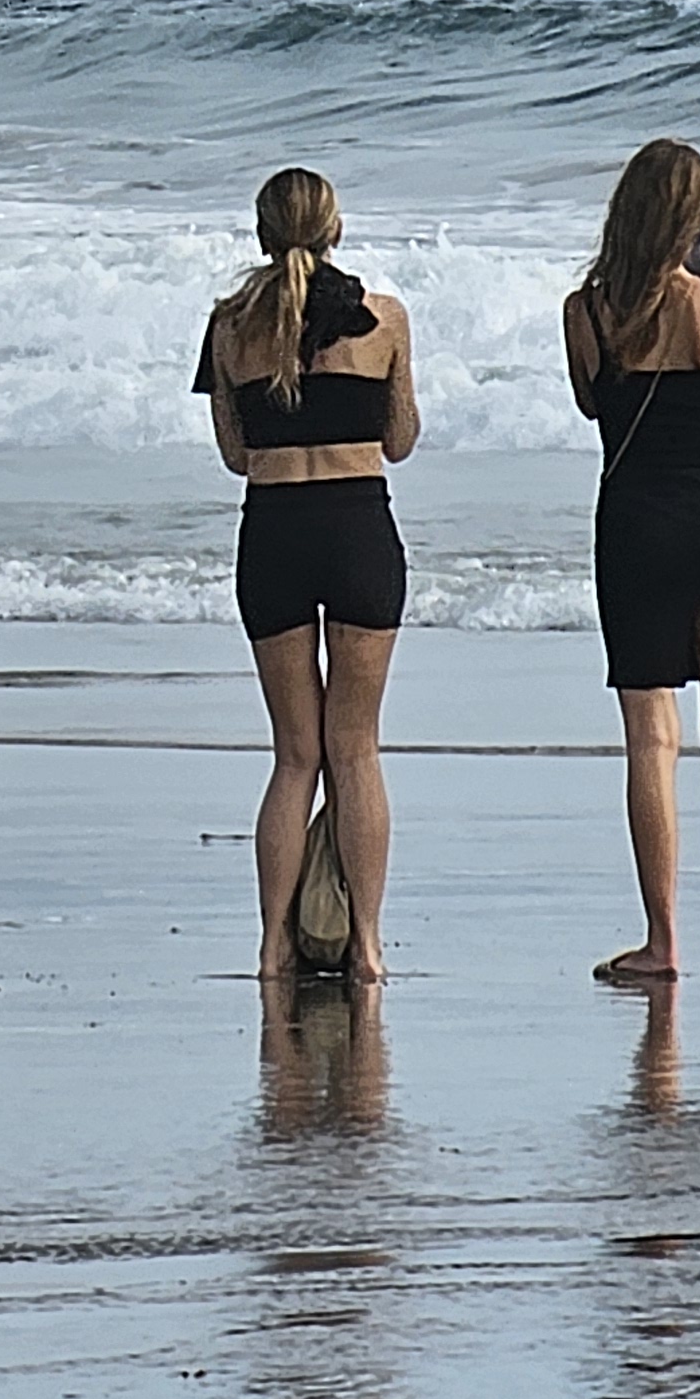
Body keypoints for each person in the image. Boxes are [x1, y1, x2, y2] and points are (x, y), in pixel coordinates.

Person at [561, 137, 700, 985]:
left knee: (651, 737)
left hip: (634, 524)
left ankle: (662, 941)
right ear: (695, 220)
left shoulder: (587, 312)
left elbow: (592, 405)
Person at [199, 167, 419, 985]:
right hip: (360, 529)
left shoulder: (228, 328)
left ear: (262, 234)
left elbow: (235, 457)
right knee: (355, 751)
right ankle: (364, 945)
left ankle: (271, 949)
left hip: (275, 534)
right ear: (336, 230)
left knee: (295, 757)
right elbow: (400, 441)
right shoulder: (384, 319)